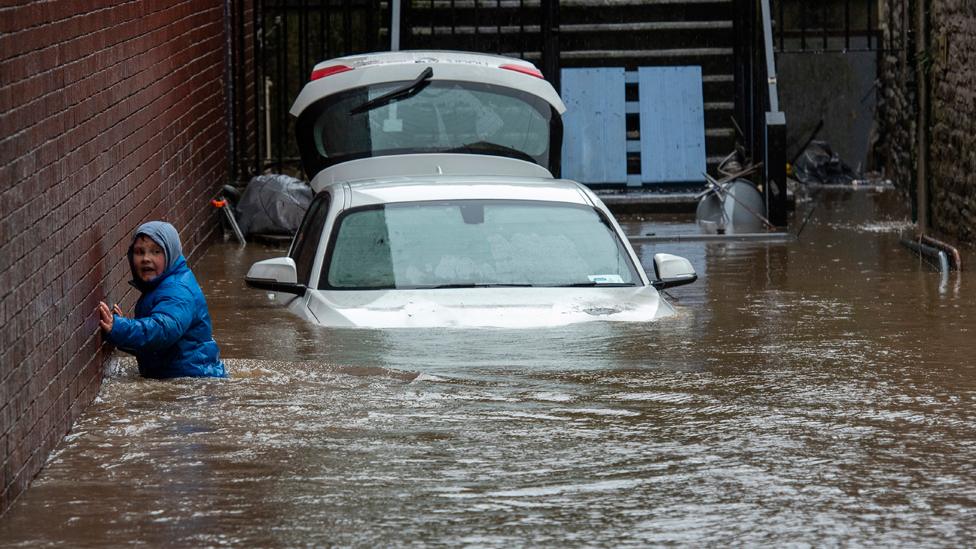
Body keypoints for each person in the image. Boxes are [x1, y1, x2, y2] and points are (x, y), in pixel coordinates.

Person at [97, 221, 226, 378]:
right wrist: (119, 333)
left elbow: (162, 331)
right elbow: (155, 346)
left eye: (156, 252)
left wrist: (119, 327)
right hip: (182, 375)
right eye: (139, 252)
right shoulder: (160, 286)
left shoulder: (178, 291)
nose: (146, 258)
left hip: (193, 381)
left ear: (170, 254)